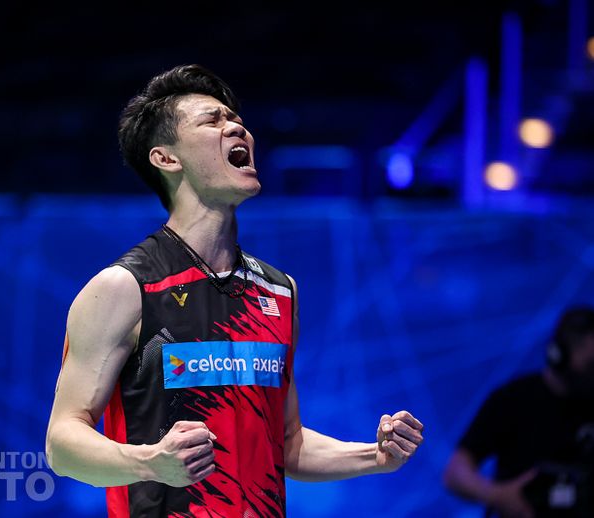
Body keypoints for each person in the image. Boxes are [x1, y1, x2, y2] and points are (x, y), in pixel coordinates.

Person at [45, 63, 424, 517]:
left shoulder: (280, 292)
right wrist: (152, 462)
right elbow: (62, 445)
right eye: (213, 120)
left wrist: (373, 457)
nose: (236, 127)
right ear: (166, 158)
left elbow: (286, 443)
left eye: (236, 119)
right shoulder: (125, 287)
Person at [443, 306, 594, 518]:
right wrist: (497, 495)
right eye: (590, 364)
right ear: (558, 355)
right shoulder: (513, 399)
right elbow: (456, 472)